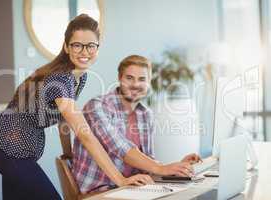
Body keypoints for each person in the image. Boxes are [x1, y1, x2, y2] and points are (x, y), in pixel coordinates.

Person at [0, 15, 153, 200]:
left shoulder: (79, 77)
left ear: (97, 48)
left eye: (91, 45)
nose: (85, 51)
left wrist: (68, 152)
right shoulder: (61, 78)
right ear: (66, 47)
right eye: (77, 45)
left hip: (16, 149)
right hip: (11, 148)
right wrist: (120, 179)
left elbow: (64, 118)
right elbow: (84, 134)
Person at [72, 55, 201, 194]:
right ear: (120, 78)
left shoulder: (146, 114)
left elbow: (148, 165)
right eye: (129, 78)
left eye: (142, 79)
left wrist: (175, 168)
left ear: (149, 82)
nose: (135, 84)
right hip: (100, 190)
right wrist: (161, 169)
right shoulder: (98, 106)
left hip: (132, 187)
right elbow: (121, 148)